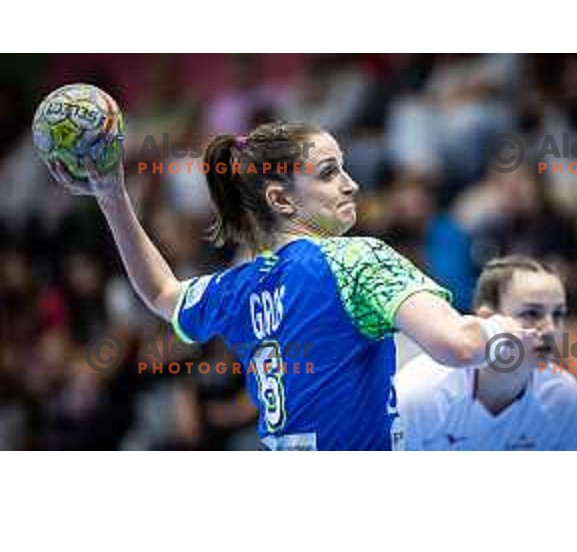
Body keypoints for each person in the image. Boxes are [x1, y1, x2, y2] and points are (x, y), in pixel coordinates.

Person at [46, 120, 533, 451]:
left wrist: (110, 195)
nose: (351, 184)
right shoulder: (355, 260)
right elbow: (458, 345)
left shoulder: (238, 287)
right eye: (329, 173)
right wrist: (507, 327)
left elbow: (163, 295)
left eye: (344, 167)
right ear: (281, 198)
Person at [394, 256, 577, 451]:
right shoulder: (420, 393)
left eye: (558, 314)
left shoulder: (562, 395)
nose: (550, 329)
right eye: (531, 314)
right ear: (488, 320)